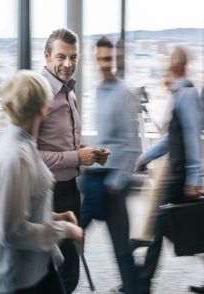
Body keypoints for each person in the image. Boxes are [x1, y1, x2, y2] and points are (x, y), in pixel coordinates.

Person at [140, 47, 204, 294]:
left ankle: (143, 284)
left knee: (159, 229)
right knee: (196, 226)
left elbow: (193, 137)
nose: (168, 67)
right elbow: (171, 139)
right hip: (180, 175)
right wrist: (144, 157)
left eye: (170, 62)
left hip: (180, 177)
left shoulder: (186, 93)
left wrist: (194, 177)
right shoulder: (178, 93)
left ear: (177, 66)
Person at [0, 70, 84, 294]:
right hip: (22, 277)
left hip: (37, 265)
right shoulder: (16, 155)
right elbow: (11, 231)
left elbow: (22, 206)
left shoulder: (23, 144)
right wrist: (65, 229)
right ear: (43, 108)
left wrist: (54, 217)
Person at [37, 28, 109, 293]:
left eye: (73, 57)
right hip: (48, 194)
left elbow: (63, 144)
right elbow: (31, 155)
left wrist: (87, 152)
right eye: (61, 57)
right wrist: (76, 156)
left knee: (71, 266)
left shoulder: (69, 91)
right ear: (46, 56)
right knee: (57, 272)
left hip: (69, 190)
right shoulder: (40, 94)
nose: (68, 64)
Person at [80, 36, 141, 294]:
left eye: (109, 58)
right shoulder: (97, 91)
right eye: (100, 58)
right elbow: (105, 138)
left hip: (112, 181)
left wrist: (115, 184)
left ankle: (135, 287)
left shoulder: (124, 93)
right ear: (95, 59)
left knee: (120, 246)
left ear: (115, 59)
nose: (105, 64)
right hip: (94, 178)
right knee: (73, 234)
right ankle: (135, 286)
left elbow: (132, 144)